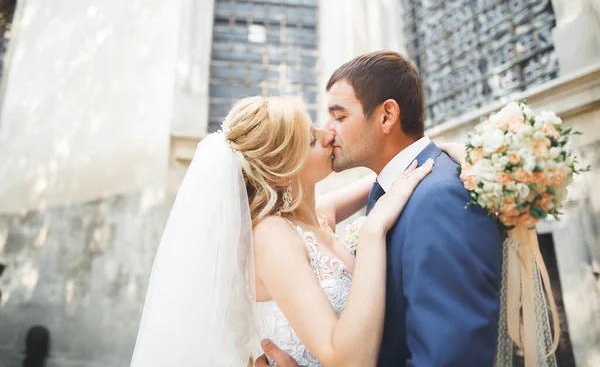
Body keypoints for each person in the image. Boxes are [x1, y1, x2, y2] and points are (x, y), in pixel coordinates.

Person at [130, 96, 434, 367]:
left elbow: (395, 172)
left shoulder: (315, 217)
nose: (329, 135)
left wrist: (442, 152)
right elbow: (346, 360)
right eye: (312, 141)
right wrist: (372, 232)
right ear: (283, 174)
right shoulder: (272, 236)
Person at [256, 51, 502, 367]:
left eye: (339, 117)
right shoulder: (384, 190)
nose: (328, 131)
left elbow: (449, 356)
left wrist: (443, 151)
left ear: (386, 116)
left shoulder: (439, 199)